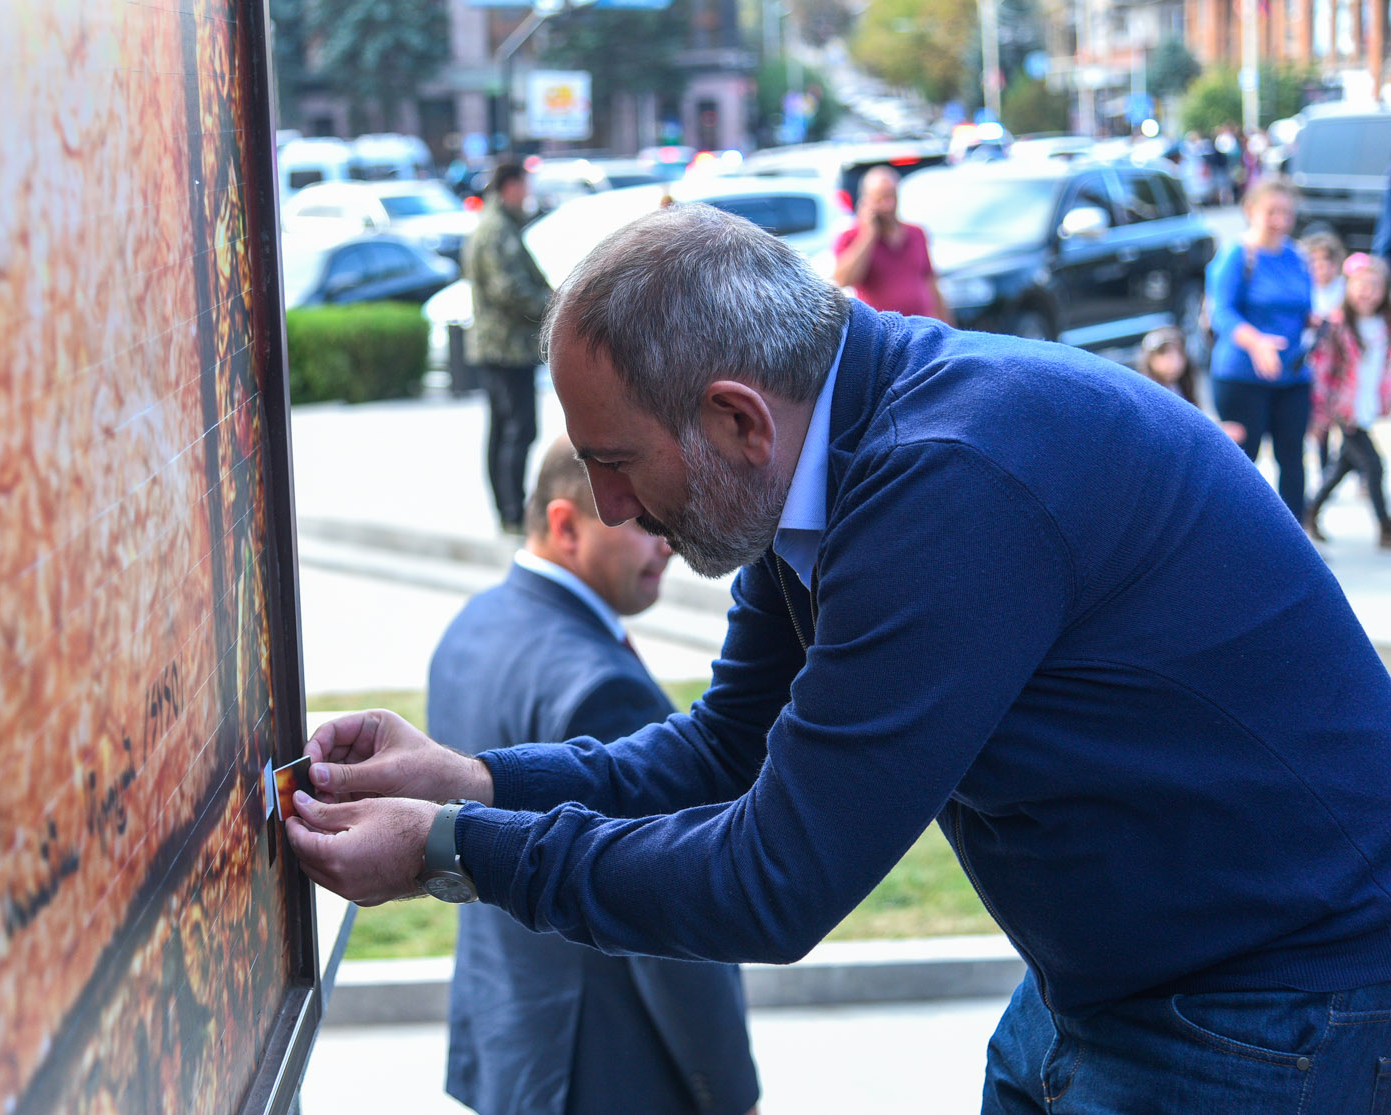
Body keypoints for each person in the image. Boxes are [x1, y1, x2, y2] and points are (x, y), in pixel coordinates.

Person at [287, 205, 1391, 1112]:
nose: (609, 505)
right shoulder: (825, 451)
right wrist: (472, 780)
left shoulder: (945, 487)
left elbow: (771, 881)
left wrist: (449, 848)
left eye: (616, 461)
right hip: (1122, 982)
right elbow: (724, 749)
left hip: (1270, 1003)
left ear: (737, 420)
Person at [430, 439, 760, 1115]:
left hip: (510, 1047)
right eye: (642, 521)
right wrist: (729, 1092)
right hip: (605, 1068)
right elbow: (671, 914)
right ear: (564, 525)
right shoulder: (603, 690)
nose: (667, 543)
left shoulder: (472, 626)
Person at [1208, 176, 1313, 521]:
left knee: (1293, 459)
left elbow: (1302, 308)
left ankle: (1295, 539)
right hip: (1242, 376)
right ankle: (1230, 536)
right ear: (1251, 209)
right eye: (1272, 212)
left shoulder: (1296, 256)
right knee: (1241, 463)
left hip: (1293, 377)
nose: (1280, 220)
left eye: (1287, 213)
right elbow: (1221, 313)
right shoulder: (1237, 254)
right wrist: (1256, 343)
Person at [465, 161, 552, 533]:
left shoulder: (498, 226)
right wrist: (553, 304)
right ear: (510, 186)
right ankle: (512, 512)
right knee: (518, 429)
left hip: (502, 347)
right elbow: (508, 289)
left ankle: (509, 510)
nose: (528, 194)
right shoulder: (497, 230)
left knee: (504, 429)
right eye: (524, 186)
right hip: (506, 348)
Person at [1304, 252, 1391, 549]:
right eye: (1361, 285)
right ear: (1348, 287)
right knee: (1374, 466)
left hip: (1366, 406)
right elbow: (1323, 372)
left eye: (1375, 286)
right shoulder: (1337, 325)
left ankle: (1310, 511)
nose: (1368, 293)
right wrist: (1320, 414)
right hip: (1343, 408)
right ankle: (1385, 528)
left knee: (1344, 465)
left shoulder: (1383, 323)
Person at [832, 167, 950, 321]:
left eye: (892, 196)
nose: (889, 205)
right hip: (883, 329)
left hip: (921, 326)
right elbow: (842, 280)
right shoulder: (850, 237)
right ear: (866, 201)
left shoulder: (916, 233)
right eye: (881, 198)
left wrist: (947, 324)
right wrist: (868, 236)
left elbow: (931, 283)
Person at [1304, 228, 1348, 476]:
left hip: (1340, 364)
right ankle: (1324, 472)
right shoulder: (1304, 288)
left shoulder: (1344, 289)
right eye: (1315, 261)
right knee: (1320, 422)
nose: (1320, 267)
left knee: (1345, 420)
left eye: (1326, 261)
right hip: (1314, 364)